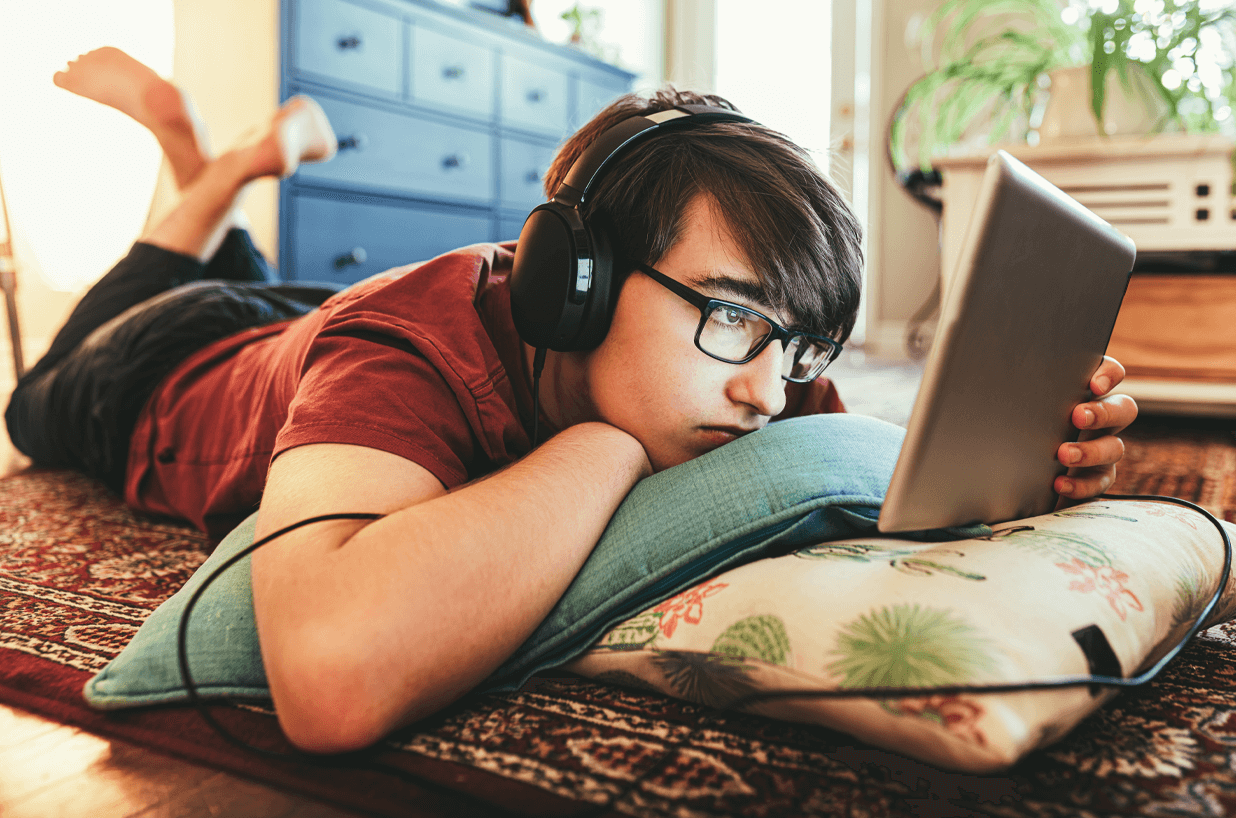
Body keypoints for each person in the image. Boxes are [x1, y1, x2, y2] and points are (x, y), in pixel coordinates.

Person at [7, 48, 1138, 753]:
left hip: (289, 324)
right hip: (155, 368)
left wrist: (1029, 455)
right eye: (733, 314)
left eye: (794, 342)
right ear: (573, 279)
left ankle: (219, 166)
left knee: (246, 278)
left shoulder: (751, 372)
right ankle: (201, 153)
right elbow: (331, 679)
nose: (764, 390)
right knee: (49, 381)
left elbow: (854, 473)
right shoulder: (405, 346)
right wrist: (605, 447)